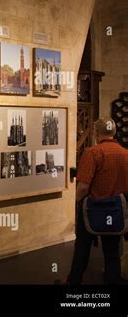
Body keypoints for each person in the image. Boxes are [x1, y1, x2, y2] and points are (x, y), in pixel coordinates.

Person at [67, 117, 128, 284]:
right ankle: (112, 280)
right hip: (115, 211)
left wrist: (77, 201)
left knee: (82, 249)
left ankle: (74, 281)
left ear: (96, 133)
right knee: (112, 251)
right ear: (114, 133)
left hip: (91, 210)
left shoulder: (92, 153)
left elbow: (83, 187)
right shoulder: (125, 154)